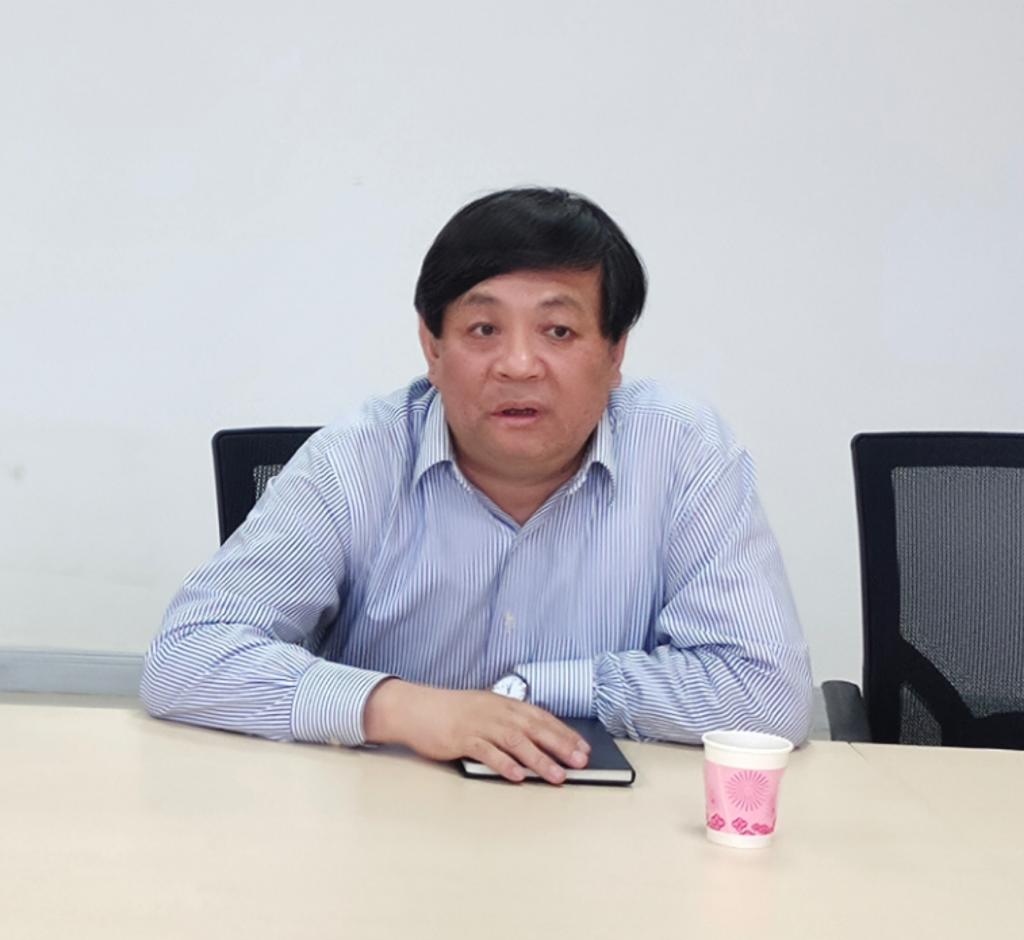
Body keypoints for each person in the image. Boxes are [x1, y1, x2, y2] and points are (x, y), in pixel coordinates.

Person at [140, 187, 812, 785]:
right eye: (484, 329)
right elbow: (186, 655)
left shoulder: (683, 452)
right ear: (433, 348)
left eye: (558, 330)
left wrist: (534, 692)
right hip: (380, 820)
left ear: (615, 354)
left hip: (605, 836)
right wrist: (403, 707)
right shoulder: (355, 460)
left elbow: (767, 694)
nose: (518, 365)